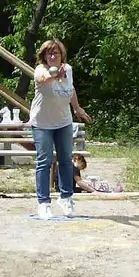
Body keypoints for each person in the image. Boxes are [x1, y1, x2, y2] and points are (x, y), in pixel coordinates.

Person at [28, 38, 91, 220]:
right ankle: (43, 203)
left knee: (65, 160)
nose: (53, 56)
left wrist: (77, 108)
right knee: (44, 161)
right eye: (49, 53)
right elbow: (42, 79)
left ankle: (66, 198)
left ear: (61, 55)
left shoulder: (68, 69)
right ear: (44, 57)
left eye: (56, 52)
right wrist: (55, 76)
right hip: (42, 123)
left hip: (64, 122)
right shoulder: (41, 70)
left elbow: (70, 90)